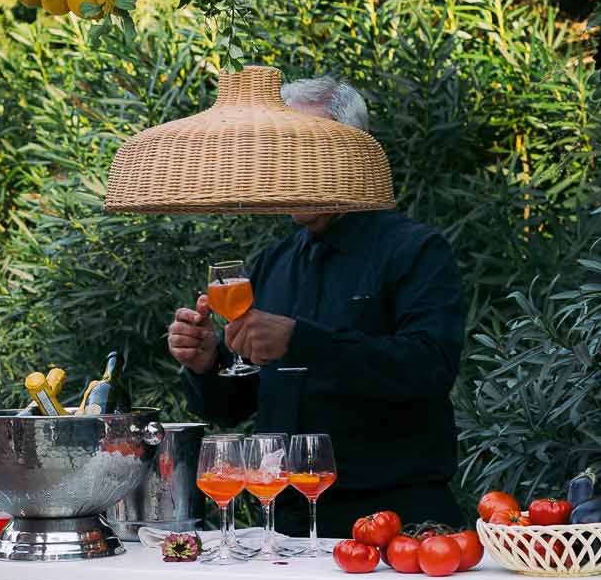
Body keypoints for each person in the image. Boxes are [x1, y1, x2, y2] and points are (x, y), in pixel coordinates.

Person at [168, 74, 466, 535]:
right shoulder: (274, 262)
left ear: (352, 152)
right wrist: (207, 364)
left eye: (304, 149)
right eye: (282, 152)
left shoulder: (416, 251)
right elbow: (236, 405)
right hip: (284, 525)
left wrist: (300, 340)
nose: (287, 166)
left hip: (399, 524)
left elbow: (428, 368)